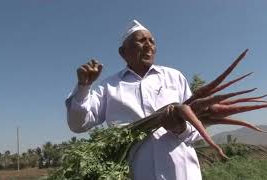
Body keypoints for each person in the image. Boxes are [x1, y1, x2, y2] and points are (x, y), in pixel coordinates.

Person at [66, 20, 202, 180]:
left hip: (182, 174)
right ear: (123, 52)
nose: (149, 45)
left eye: (152, 41)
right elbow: (78, 125)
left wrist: (181, 128)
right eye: (141, 40)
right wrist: (84, 86)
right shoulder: (109, 86)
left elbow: (198, 128)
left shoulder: (174, 77)